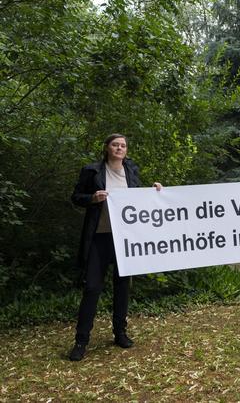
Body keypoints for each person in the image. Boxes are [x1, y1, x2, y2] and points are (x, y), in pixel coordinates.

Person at [68, 134, 162, 361]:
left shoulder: (131, 170)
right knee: (92, 288)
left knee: (122, 287)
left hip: (125, 239)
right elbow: (76, 197)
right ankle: (81, 341)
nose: (119, 148)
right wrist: (92, 198)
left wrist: (156, 190)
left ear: (126, 150)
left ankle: (120, 332)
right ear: (107, 147)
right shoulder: (92, 171)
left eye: (123, 145)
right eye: (115, 144)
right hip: (99, 238)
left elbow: (138, 199)